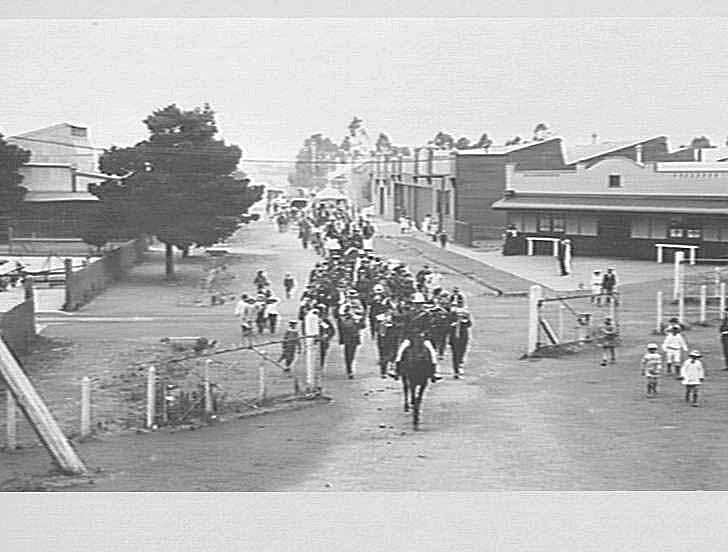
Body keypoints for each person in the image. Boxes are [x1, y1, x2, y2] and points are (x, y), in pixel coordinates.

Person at [448, 307, 472, 379]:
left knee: (462, 352)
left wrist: (463, 321)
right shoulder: (452, 313)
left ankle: (460, 365)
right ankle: (456, 370)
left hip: (463, 336)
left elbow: (469, 324)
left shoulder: (466, 312)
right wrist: (453, 324)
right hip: (454, 336)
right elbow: (447, 323)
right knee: (455, 354)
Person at [338, 310, 363, 379]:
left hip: (353, 339)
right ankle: (349, 370)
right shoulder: (344, 320)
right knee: (348, 356)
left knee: (351, 355)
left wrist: (358, 320)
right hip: (348, 339)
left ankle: (350, 370)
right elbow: (344, 326)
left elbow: (362, 326)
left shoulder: (356, 319)